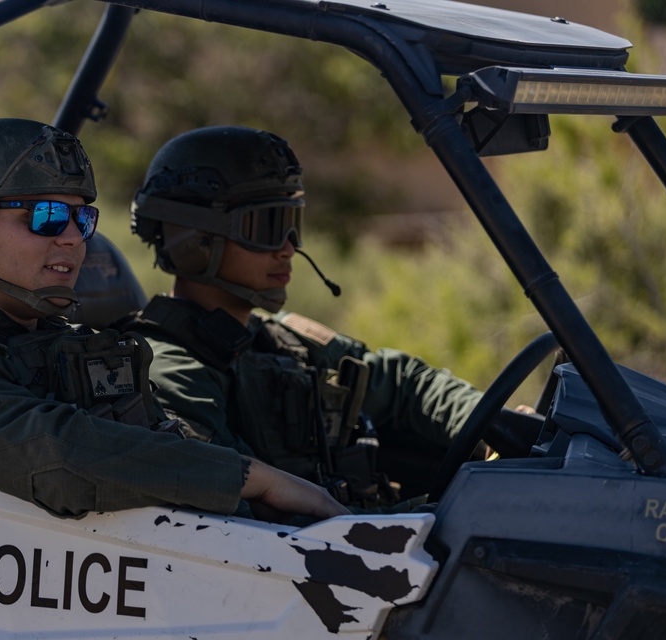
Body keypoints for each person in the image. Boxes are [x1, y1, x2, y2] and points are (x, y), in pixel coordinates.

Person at [0, 118, 347, 522]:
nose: (74, 238)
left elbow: (163, 447)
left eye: (82, 219)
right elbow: (58, 459)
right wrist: (249, 477)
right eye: (47, 217)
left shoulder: (75, 349)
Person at [121, 125, 489, 509]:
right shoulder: (168, 371)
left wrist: (495, 426)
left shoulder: (281, 341)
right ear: (195, 241)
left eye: (293, 224)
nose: (288, 248)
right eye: (267, 227)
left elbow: (400, 382)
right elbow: (240, 519)